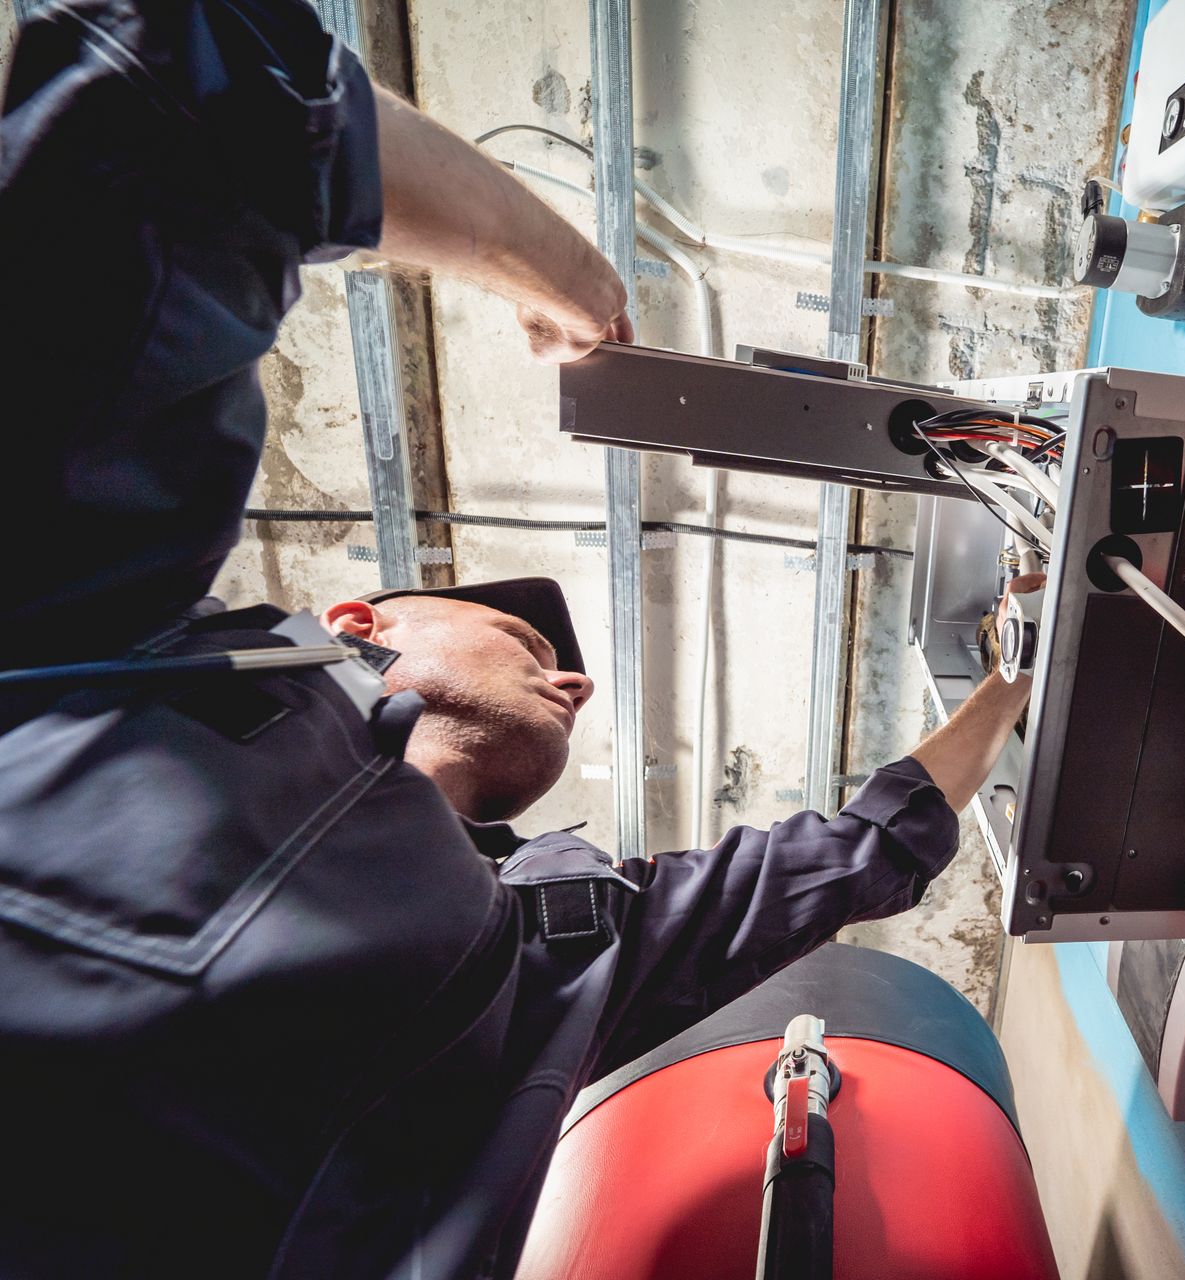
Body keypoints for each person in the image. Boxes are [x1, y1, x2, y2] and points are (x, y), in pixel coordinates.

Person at [0, 2, 1034, 1276]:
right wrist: (571, 280)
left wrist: (1011, 682)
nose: (580, 675)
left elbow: (863, 849)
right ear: (356, 622)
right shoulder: (103, 645)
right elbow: (190, 112)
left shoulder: (565, 939)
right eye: (510, 628)